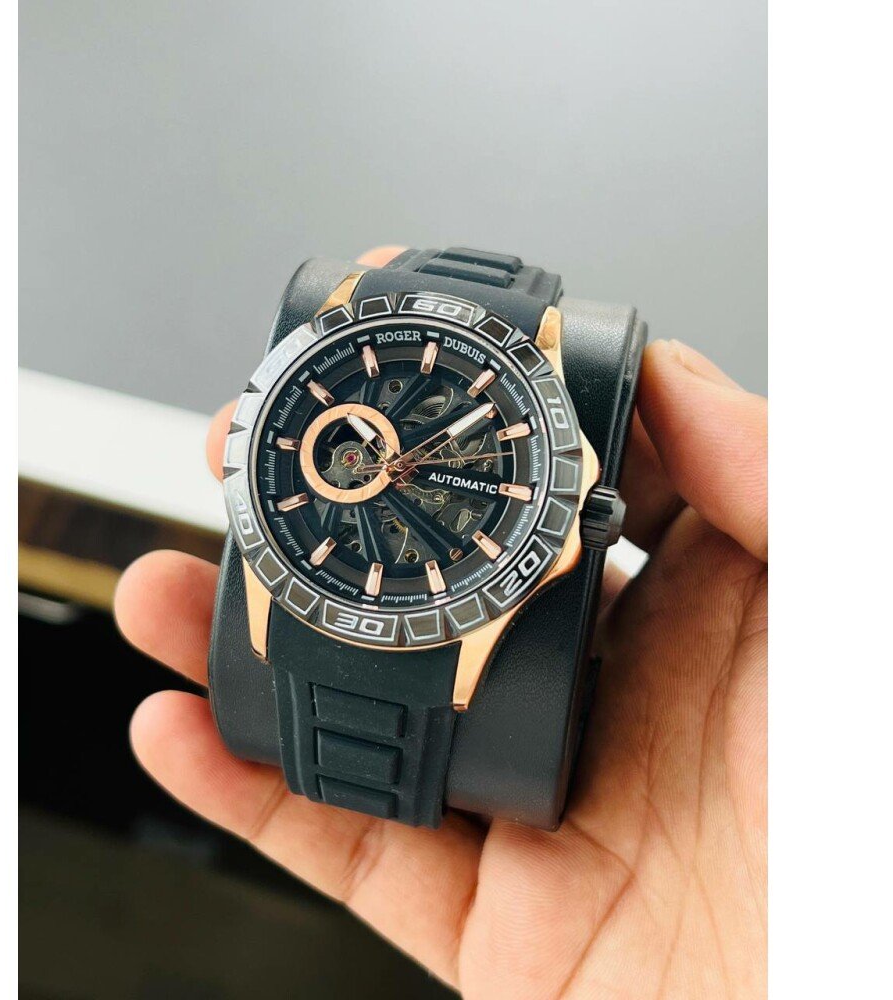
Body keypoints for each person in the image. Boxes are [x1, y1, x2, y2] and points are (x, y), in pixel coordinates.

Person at [114, 245, 768, 999]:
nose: (392, 472)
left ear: (588, 508)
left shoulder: (560, 391)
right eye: (379, 466)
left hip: (454, 638)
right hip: (304, 592)